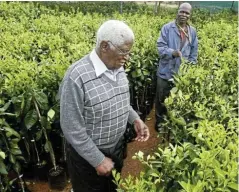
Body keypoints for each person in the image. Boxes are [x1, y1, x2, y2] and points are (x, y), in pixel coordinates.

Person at [59, 20, 150, 192]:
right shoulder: (76, 77)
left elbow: (120, 100)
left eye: (129, 52)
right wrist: (97, 159)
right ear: (104, 46)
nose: (127, 57)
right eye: (123, 51)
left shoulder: (118, 66)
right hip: (87, 157)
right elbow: (71, 128)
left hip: (116, 147)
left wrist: (135, 119)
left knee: (112, 187)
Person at [155, 3, 198, 132]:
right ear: (177, 12)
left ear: (190, 15)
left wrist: (190, 68)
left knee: (176, 101)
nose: (184, 15)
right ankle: (159, 124)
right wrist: (172, 53)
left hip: (181, 75)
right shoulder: (167, 28)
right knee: (161, 100)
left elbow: (193, 53)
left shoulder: (192, 32)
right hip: (165, 72)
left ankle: (171, 125)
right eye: (182, 12)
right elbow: (160, 47)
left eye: (187, 13)